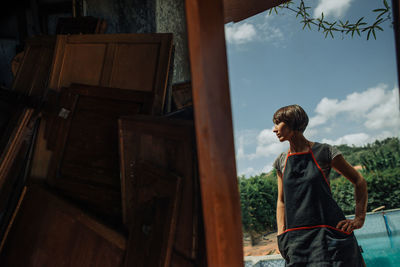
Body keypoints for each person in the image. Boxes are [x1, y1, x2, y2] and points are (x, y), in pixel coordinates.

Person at [272, 104, 368, 266]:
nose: (274, 129)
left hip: (330, 235)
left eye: (278, 123)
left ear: (292, 123)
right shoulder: (281, 161)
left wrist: (359, 218)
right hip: (297, 240)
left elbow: (359, 181)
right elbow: (281, 201)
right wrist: (281, 234)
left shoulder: (325, 152)